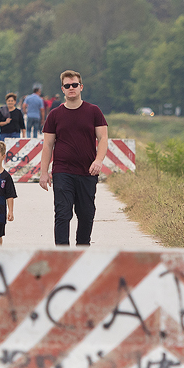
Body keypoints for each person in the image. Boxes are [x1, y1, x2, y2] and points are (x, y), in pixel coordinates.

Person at [39, 70, 108, 245]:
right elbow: (47, 145)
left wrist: (98, 160)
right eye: (67, 86)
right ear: (62, 89)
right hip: (63, 171)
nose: (71, 88)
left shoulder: (94, 111)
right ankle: (63, 256)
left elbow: (103, 138)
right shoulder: (54, 115)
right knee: (62, 213)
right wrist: (44, 172)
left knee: (86, 214)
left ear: (81, 87)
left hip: (87, 172)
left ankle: (81, 251)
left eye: (74, 85)